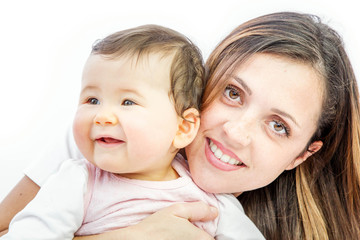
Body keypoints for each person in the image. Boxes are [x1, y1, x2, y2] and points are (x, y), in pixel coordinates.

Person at [1, 11, 359, 240]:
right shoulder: (103, 143)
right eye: (233, 93)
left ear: (301, 156)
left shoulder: (228, 214)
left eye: (278, 126)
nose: (235, 132)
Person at [1, 25, 264, 239]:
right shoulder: (77, 182)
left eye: (128, 102)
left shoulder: (212, 202)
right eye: (92, 100)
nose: (102, 116)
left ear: (183, 127)